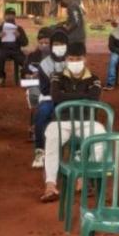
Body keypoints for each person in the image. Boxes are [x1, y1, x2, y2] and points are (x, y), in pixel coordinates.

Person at [40, 42, 104, 203]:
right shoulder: (57, 76)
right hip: (62, 121)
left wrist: (67, 96)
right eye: (71, 59)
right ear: (66, 59)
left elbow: (94, 98)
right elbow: (56, 97)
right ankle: (50, 185)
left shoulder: (94, 78)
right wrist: (83, 96)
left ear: (85, 59)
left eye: (78, 59)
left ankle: (83, 176)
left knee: (100, 138)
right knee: (52, 138)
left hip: (87, 121)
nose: (75, 62)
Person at [31, 29, 69, 169]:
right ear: (51, 46)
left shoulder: (72, 59)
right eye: (56, 44)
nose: (59, 47)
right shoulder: (44, 64)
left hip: (69, 97)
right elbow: (45, 89)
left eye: (63, 44)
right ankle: (40, 150)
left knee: (81, 112)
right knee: (42, 113)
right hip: (50, 97)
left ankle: (78, 150)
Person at [24, 27, 53, 143]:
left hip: (52, 86)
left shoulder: (57, 58)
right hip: (35, 84)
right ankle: (36, 127)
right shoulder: (32, 56)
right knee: (34, 94)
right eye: (41, 43)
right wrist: (31, 76)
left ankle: (46, 126)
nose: (44, 45)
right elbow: (24, 74)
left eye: (47, 43)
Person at [0, 8, 29, 87]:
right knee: (0, 57)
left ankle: (24, 77)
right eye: (8, 15)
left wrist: (19, 36)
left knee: (25, 61)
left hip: (16, 51)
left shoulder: (19, 29)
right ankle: (1, 77)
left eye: (12, 15)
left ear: (14, 16)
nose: (10, 17)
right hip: (2, 50)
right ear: (4, 16)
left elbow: (25, 43)